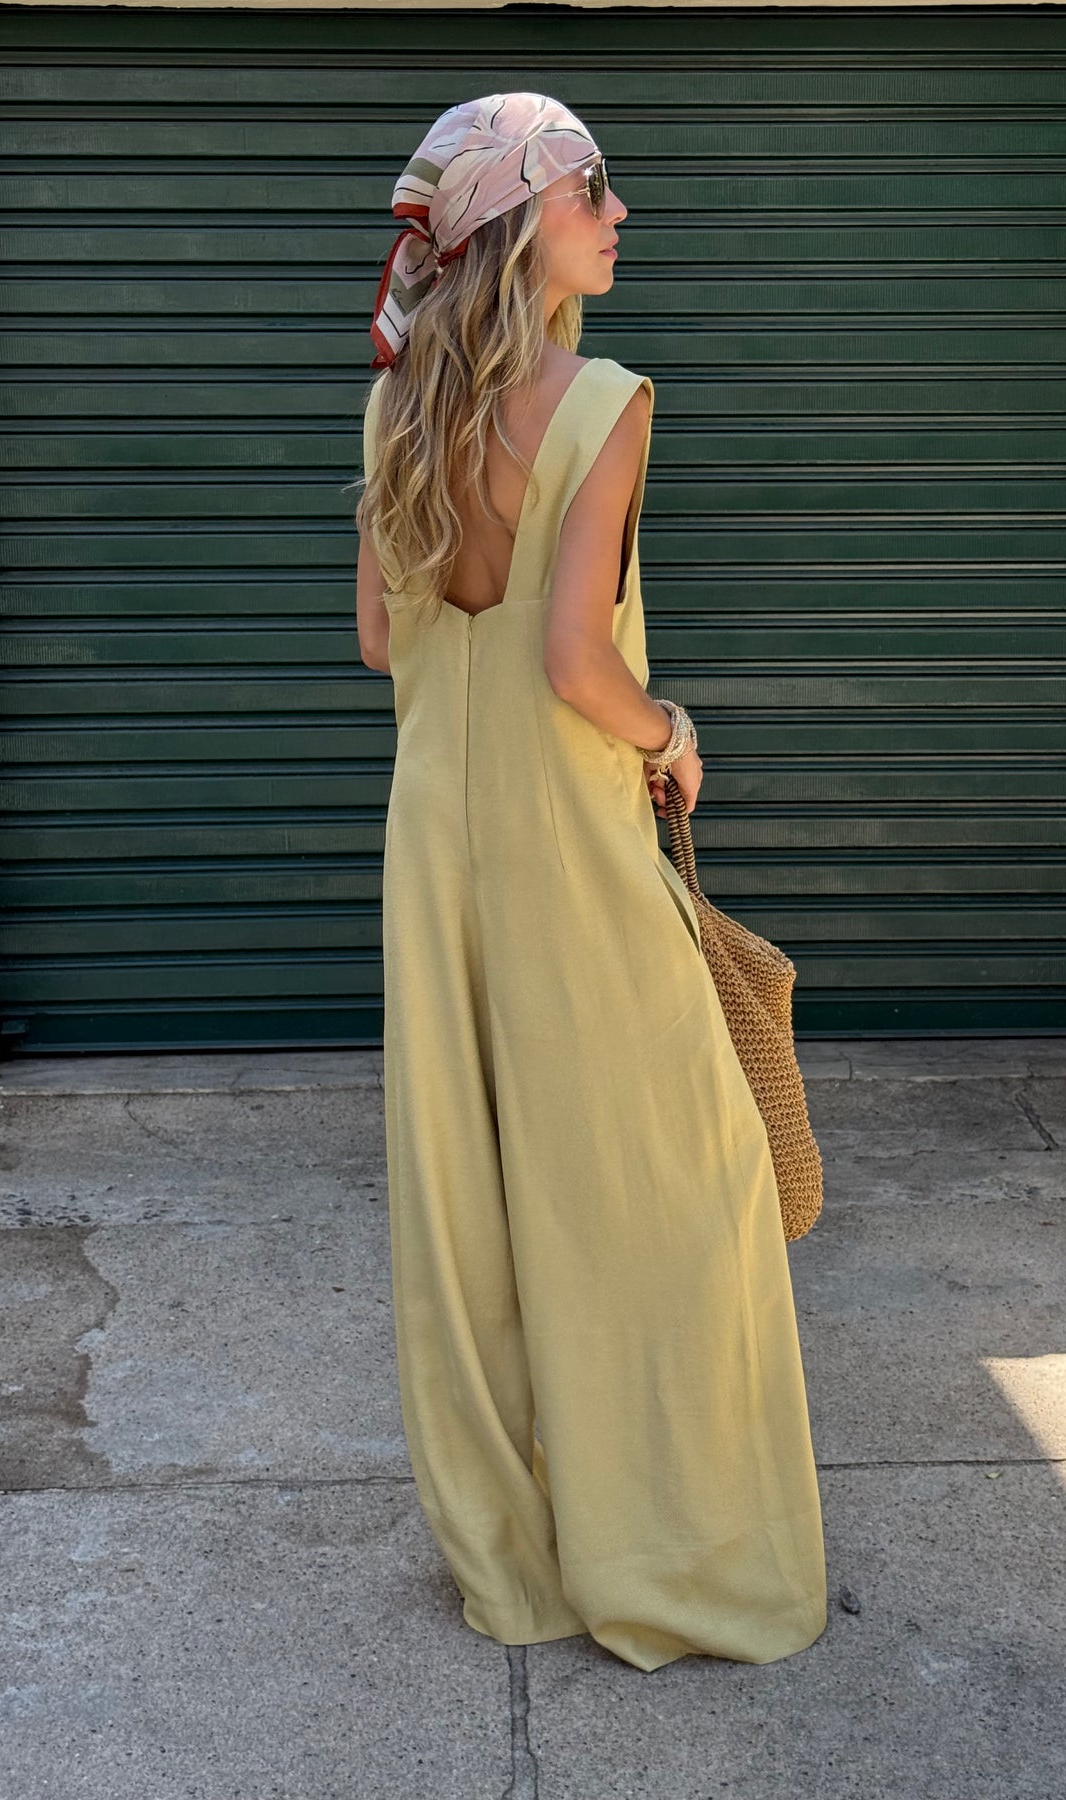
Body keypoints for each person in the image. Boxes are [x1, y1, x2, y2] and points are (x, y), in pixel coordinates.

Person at [353, 93, 828, 1674]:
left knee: (471, 1202)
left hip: (433, 843)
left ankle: (516, 1558)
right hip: (567, 843)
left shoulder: (395, 401)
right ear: (519, 226)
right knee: (683, 1189)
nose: (619, 214)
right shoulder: (602, 400)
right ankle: (673, 1551)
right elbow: (574, 664)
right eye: (590, 189)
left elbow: (380, 640)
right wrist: (671, 733)